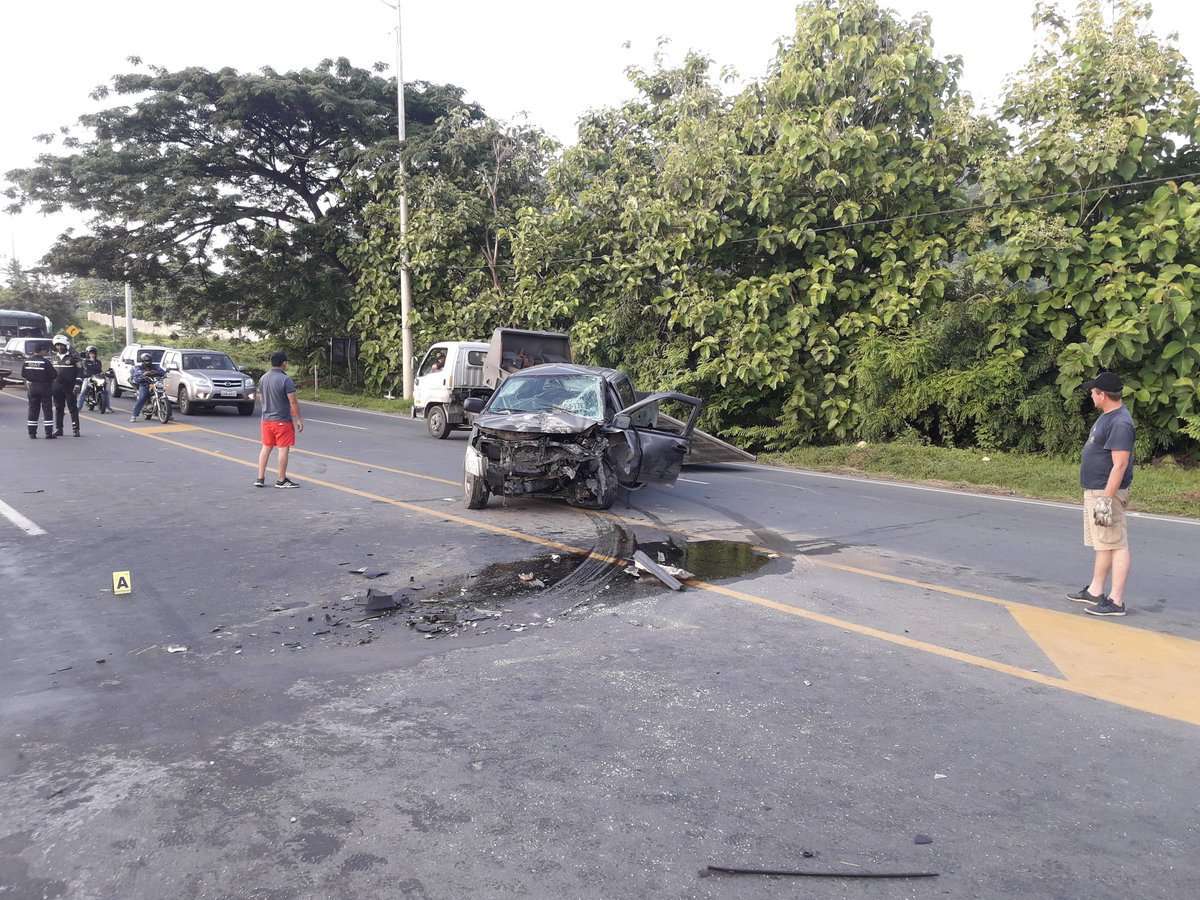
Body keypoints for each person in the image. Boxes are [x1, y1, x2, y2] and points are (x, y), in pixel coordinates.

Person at [1067, 371, 1135, 617]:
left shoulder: (1120, 423)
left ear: (1103, 395)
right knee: (1104, 542)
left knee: (1116, 543)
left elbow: (1120, 464)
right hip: (1096, 491)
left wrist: (1106, 498)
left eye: (1093, 392)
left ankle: (1116, 600)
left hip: (1107, 494)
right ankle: (1096, 590)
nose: (1091, 396)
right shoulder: (1108, 416)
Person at [255, 350, 303, 489]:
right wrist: (298, 419)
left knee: (266, 448)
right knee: (283, 449)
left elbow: (261, 397)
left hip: (266, 420)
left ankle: (260, 478)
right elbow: (293, 401)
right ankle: (281, 480)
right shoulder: (285, 380)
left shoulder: (263, 378)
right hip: (281, 420)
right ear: (284, 363)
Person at [21, 343, 56, 439]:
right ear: (41, 350)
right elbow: (53, 375)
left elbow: (23, 374)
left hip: (32, 387)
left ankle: (32, 433)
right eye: (45, 350)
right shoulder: (45, 362)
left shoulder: (27, 361)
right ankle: (48, 433)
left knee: (33, 410)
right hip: (45, 387)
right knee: (47, 410)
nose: (46, 352)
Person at [49, 334, 81, 437]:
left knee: (72, 408)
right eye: (57, 345)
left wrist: (77, 384)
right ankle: (59, 429)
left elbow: (80, 371)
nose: (59, 347)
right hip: (57, 387)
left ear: (66, 345)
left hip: (70, 387)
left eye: (61, 345)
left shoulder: (74, 357)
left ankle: (76, 429)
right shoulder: (53, 357)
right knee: (58, 408)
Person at [130, 352, 166, 422]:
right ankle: (134, 415)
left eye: (149, 360)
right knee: (142, 397)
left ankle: (168, 413)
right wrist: (144, 374)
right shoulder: (138, 367)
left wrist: (156, 372)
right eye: (146, 361)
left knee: (163, 394)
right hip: (144, 384)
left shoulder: (155, 366)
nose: (148, 362)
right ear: (142, 361)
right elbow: (137, 375)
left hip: (155, 384)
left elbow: (162, 372)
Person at [78, 345, 108, 412]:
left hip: (97, 378)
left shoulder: (98, 362)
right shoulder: (85, 361)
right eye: (91, 353)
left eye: (93, 353)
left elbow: (100, 370)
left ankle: (108, 407)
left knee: (105, 391)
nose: (92, 354)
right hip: (88, 378)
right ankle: (78, 407)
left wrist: (103, 373)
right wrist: (87, 374)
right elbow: (86, 369)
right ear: (88, 354)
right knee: (83, 392)